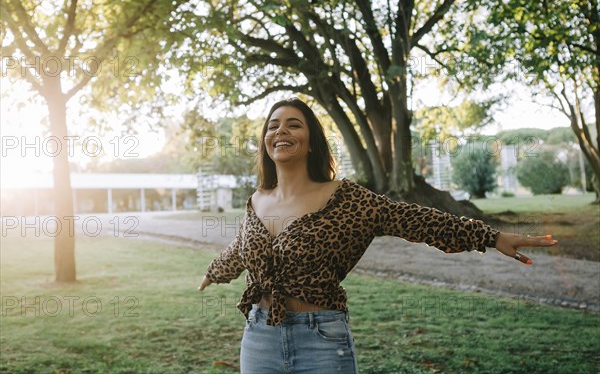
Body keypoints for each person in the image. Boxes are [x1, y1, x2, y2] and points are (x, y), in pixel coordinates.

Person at [197, 97, 558, 373]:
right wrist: (214, 272)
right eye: (273, 126)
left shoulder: (347, 199)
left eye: (294, 125)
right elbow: (240, 251)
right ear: (264, 142)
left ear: (311, 141)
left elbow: (414, 219)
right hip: (259, 337)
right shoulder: (257, 200)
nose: (281, 132)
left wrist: (490, 237)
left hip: (321, 339)